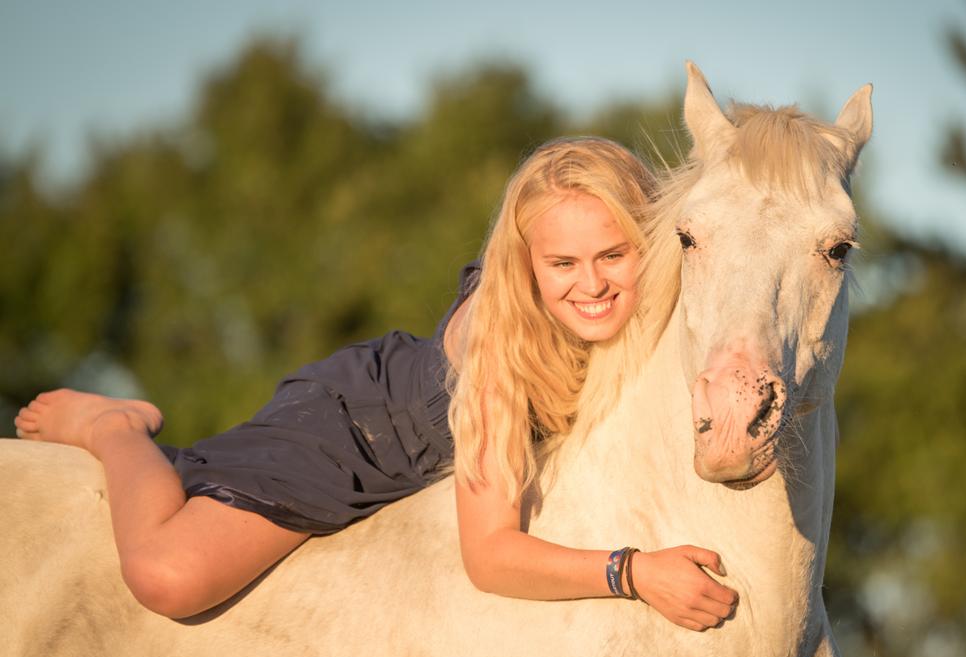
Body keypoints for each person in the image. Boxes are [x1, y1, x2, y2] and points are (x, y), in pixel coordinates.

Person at [13, 137, 738, 631]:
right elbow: (489, 556)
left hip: (391, 407)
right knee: (167, 577)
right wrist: (631, 573)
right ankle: (113, 428)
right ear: (526, 265)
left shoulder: (658, 298)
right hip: (346, 435)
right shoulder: (500, 356)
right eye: (563, 265)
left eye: (614, 254)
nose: (592, 284)